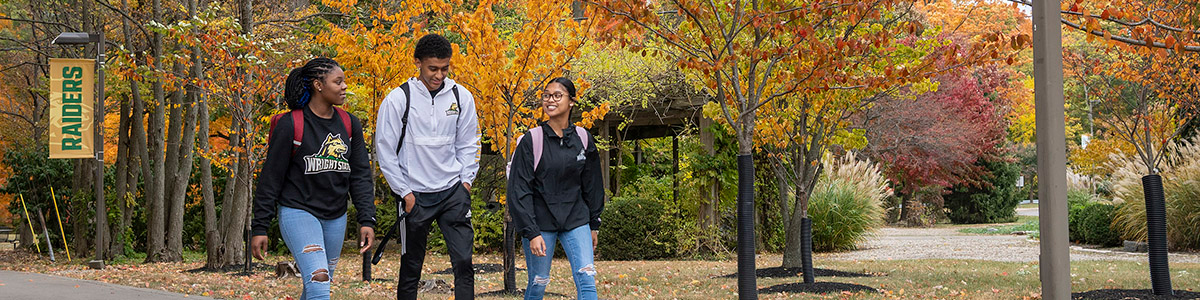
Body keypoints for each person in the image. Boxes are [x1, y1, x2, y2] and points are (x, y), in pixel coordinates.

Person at [249, 58, 376, 300]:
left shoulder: (350, 124)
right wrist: (260, 227)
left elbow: (359, 176)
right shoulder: (291, 124)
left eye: (344, 81)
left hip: (336, 217)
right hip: (298, 212)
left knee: (315, 286)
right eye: (337, 82)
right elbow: (270, 179)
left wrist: (366, 219)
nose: (344, 87)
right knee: (319, 281)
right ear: (318, 85)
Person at [375, 33, 481, 300]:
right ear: (418, 62)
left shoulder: (461, 96)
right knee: (411, 266)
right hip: (415, 196)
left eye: (445, 68)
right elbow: (385, 151)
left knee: (464, 264)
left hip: (452, 193)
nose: (439, 75)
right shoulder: (398, 99)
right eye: (433, 68)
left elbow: (469, 142)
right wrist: (404, 192)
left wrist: (465, 183)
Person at [507, 77, 604, 300]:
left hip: (576, 219)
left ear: (571, 101)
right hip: (541, 223)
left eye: (557, 95)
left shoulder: (583, 138)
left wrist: (594, 223)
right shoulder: (531, 140)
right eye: (546, 95)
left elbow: (593, 185)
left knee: (587, 279)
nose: (550, 100)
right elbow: (519, 190)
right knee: (539, 282)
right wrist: (531, 232)